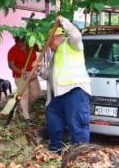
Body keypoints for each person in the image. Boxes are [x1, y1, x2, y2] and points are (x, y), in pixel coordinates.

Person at [39, 16, 91, 153]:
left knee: (78, 127)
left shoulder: (72, 44)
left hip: (75, 92)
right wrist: (39, 69)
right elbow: (48, 76)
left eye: (49, 42)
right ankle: (55, 154)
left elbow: (76, 34)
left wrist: (64, 22)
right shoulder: (53, 56)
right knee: (54, 125)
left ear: (56, 38)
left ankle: (80, 157)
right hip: (57, 96)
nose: (48, 46)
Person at [7, 36, 40, 122]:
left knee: (36, 94)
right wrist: (21, 72)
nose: (20, 44)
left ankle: (24, 108)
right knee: (24, 95)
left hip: (32, 74)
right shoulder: (12, 51)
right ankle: (27, 117)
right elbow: (11, 65)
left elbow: (41, 48)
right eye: (18, 42)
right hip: (20, 76)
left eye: (22, 42)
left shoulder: (32, 45)